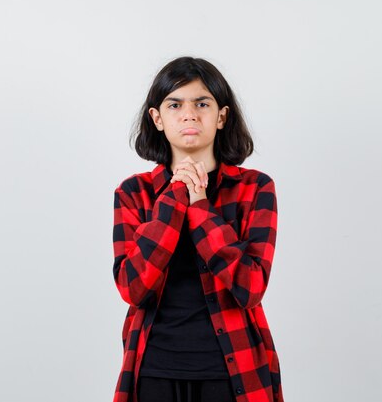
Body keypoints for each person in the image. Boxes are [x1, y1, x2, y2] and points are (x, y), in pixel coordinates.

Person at [111, 56, 284, 402]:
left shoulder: (255, 189)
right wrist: (176, 196)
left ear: (221, 116)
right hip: (153, 371)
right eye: (175, 104)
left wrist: (201, 205)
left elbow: (250, 288)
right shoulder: (133, 193)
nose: (189, 114)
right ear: (157, 119)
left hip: (233, 374)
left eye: (202, 103)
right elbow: (133, 287)